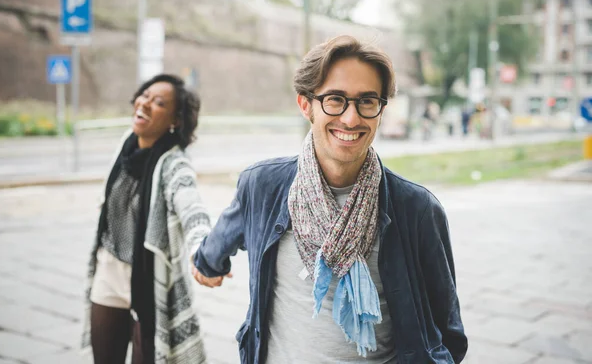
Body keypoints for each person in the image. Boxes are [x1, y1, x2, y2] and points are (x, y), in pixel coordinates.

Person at [193, 36, 468, 363]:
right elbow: (217, 244)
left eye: (367, 101)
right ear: (305, 105)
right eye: (335, 99)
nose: (351, 119)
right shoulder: (263, 186)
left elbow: (447, 332)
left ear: (381, 109)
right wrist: (207, 264)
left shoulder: (417, 210)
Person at [82, 74, 213, 364]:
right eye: (144, 95)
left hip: (150, 279)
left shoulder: (174, 162)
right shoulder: (126, 145)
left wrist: (203, 248)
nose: (145, 103)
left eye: (159, 102)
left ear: (175, 120)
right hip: (110, 270)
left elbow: (191, 205)